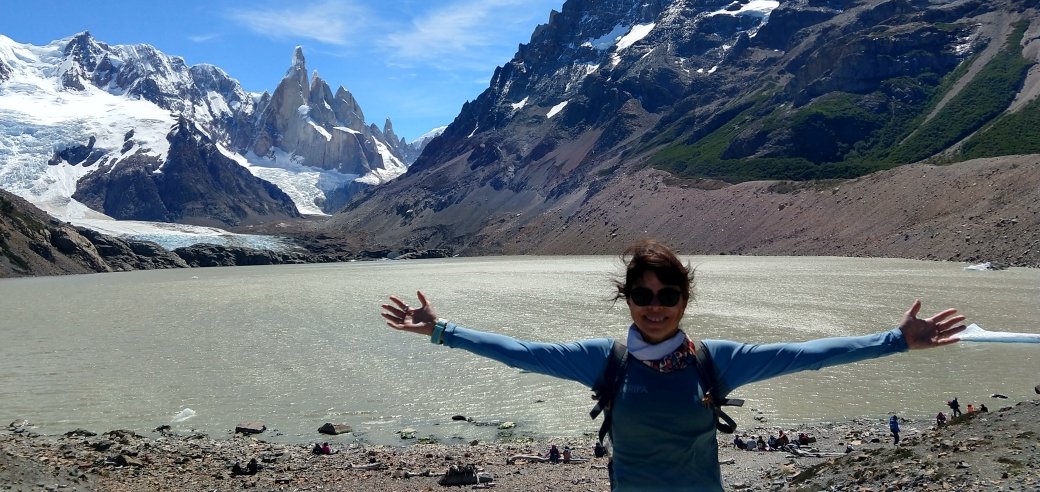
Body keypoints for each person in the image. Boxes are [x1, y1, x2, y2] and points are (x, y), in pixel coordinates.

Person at [381, 239, 965, 492]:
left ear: (684, 302)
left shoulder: (717, 362)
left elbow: (809, 356)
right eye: (643, 295)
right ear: (627, 299)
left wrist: (894, 340)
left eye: (667, 296)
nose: (655, 307)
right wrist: (443, 331)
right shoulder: (601, 361)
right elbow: (520, 353)